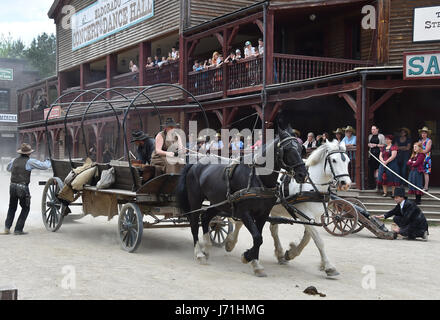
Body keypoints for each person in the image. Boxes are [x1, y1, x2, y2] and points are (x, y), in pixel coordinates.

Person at [2, 143, 52, 235]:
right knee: (26, 208)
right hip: (22, 188)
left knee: (12, 207)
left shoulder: (14, 160)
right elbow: (44, 166)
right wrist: (48, 160)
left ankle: (7, 228)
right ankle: (18, 229)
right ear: (29, 153)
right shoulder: (30, 161)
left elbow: (8, 169)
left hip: (12, 186)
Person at [368, 125, 386, 189]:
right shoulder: (370, 136)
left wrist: (376, 145)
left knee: (379, 170)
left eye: (374, 129)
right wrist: (369, 145)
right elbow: (367, 143)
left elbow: (384, 145)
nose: (372, 131)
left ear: (377, 129)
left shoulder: (381, 136)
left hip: (379, 154)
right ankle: (371, 185)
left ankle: (379, 185)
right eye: (372, 129)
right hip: (372, 154)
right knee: (371, 170)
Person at [418, 126, 432, 191]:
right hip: (420, 157)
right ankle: (419, 185)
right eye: (422, 133)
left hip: (426, 158)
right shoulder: (420, 140)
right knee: (419, 171)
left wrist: (419, 150)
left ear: (427, 134)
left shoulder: (429, 141)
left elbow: (426, 150)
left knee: (426, 172)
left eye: (425, 133)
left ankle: (426, 187)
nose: (423, 134)